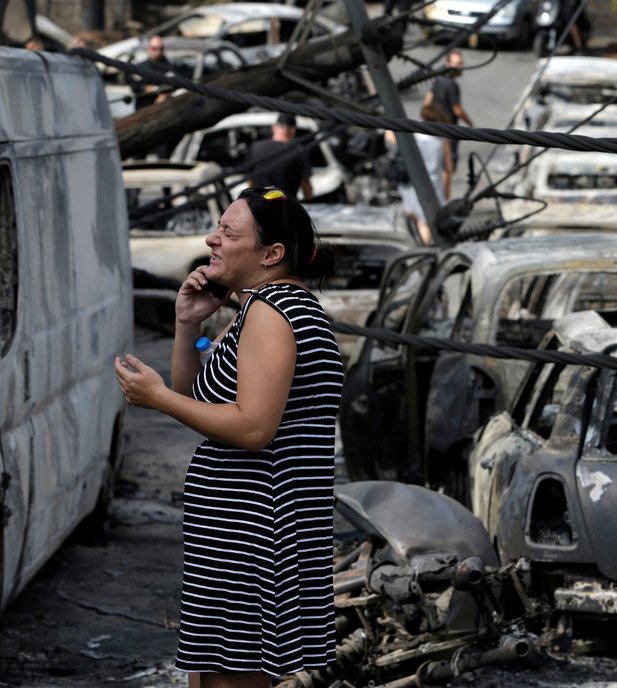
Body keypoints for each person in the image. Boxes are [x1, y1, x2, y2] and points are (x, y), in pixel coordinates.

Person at [114, 187, 342, 688]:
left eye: (228, 232)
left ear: (271, 255)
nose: (210, 239)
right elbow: (198, 394)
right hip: (239, 534)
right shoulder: (267, 308)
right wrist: (189, 326)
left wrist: (156, 399)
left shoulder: (272, 312)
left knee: (229, 682)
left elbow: (254, 428)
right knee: (211, 678)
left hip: (253, 536)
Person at [384, 102, 453, 245]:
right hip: (432, 184)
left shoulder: (413, 135)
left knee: (414, 217)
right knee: (426, 222)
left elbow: (390, 139)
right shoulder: (440, 139)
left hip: (411, 182)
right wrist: (446, 189)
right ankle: (422, 248)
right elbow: (448, 167)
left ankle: (415, 245)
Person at [424, 50, 473, 171]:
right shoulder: (451, 85)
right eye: (457, 63)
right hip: (449, 131)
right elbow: (458, 110)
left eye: (461, 63)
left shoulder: (439, 79)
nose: (460, 67)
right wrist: (471, 125)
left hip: (435, 128)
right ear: (448, 64)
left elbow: (428, 100)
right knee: (448, 165)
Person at [247, 114, 314, 201]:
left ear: (274, 127)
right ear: (293, 130)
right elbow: (307, 190)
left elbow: (250, 182)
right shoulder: (299, 151)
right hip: (284, 209)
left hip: (258, 207)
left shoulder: (255, 147)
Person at [130, 35, 174, 109]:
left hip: (164, 107)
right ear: (148, 49)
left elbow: (175, 82)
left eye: (161, 49)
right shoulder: (140, 67)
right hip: (144, 107)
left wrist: (165, 94)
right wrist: (146, 88)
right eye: (154, 49)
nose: (158, 51)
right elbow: (135, 85)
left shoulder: (170, 67)